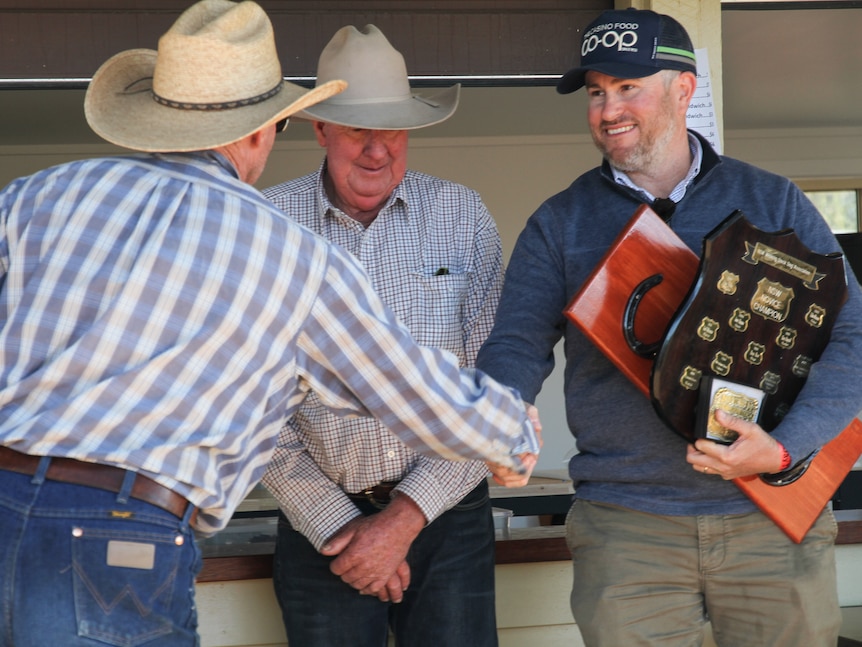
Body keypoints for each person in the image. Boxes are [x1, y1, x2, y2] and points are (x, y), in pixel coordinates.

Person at [0, 2, 541, 645]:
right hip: (124, 531)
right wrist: (507, 432)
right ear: (269, 129)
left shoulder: (36, 196)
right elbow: (400, 384)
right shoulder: (276, 242)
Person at [476, 8, 862, 647]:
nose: (608, 109)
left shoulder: (774, 201)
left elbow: (852, 336)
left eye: (628, 87)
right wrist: (495, 415)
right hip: (628, 530)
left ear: (683, 90)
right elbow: (516, 344)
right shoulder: (560, 221)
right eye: (596, 92)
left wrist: (785, 447)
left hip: (767, 514)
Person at [261, 24, 504, 647]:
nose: (377, 151)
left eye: (391, 130)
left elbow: (495, 379)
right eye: (356, 132)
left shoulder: (462, 215)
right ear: (319, 129)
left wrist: (404, 517)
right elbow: (247, 399)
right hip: (322, 524)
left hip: (449, 515)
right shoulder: (266, 227)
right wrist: (340, 527)